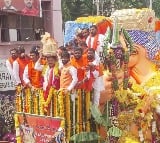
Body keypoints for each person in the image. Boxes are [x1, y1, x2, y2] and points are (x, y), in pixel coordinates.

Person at [99, 8, 160, 143]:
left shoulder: (156, 83)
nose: (112, 51)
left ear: (135, 49)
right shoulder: (113, 78)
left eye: (117, 45)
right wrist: (99, 99)